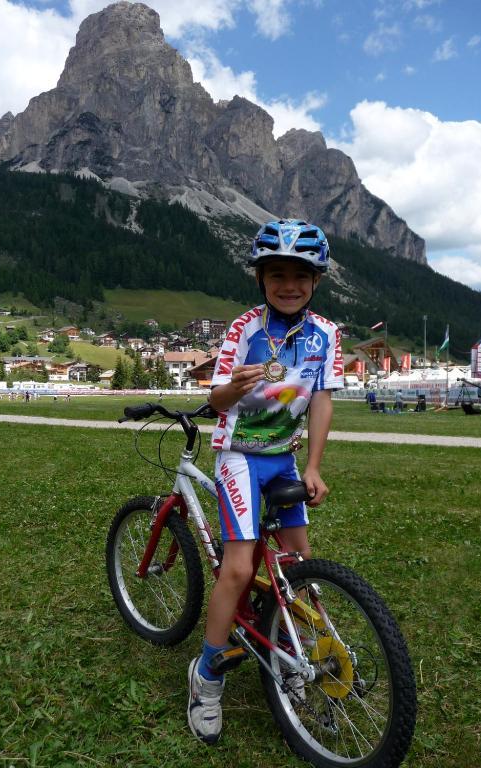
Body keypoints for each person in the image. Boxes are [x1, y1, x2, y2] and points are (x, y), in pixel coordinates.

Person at [187, 219, 344, 745]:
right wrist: (233, 385)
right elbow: (216, 403)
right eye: (276, 273)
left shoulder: (326, 334)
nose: (289, 284)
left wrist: (314, 467)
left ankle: (294, 654)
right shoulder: (243, 329)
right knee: (236, 567)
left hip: (283, 458)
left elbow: (321, 400)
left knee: (299, 565)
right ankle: (206, 678)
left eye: (300, 274)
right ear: (260, 279)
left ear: (316, 280)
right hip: (239, 456)